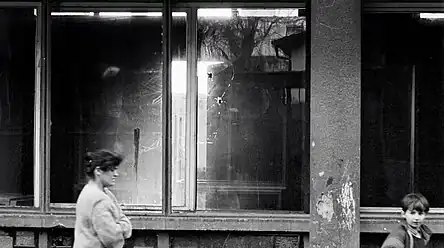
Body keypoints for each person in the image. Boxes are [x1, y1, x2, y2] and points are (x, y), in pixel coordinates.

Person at [73, 149, 132, 248]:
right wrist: (124, 227)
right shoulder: (99, 199)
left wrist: (118, 226)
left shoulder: (89, 191)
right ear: (98, 171)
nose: (116, 174)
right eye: (112, 170)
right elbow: (113, 239)